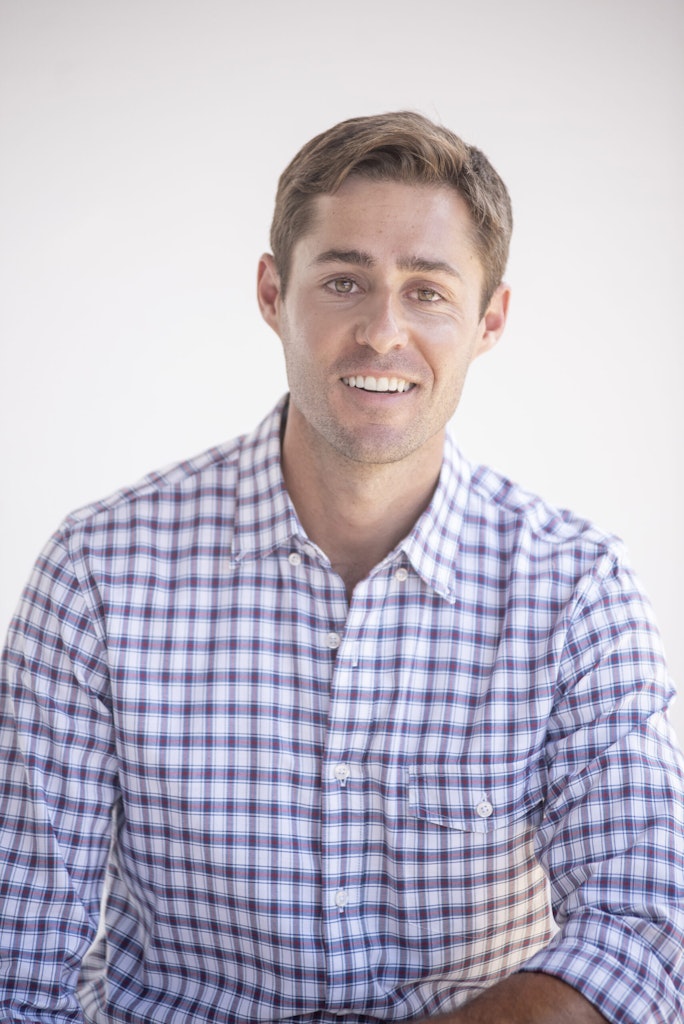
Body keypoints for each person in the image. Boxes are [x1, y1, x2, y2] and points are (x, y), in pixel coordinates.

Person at [1, 111, 682, 1024]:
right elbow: (17, 961)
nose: (382, 331)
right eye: (344, 281)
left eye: (427, 291)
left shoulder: (575, 591)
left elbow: (645, 936)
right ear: (273, 294)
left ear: (489, 320)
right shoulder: (99, 575)